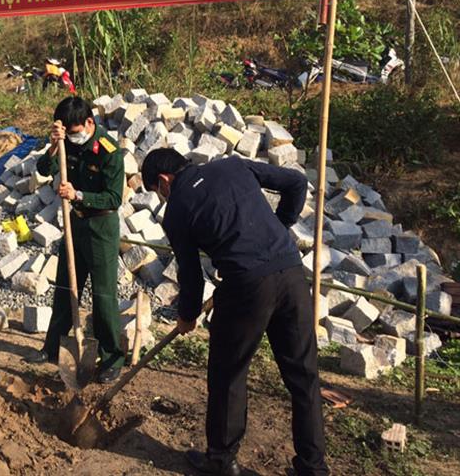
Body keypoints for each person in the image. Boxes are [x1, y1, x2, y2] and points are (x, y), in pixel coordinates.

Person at [141, 149, 328, 476]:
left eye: (158, 191)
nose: (161, 196)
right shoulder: (233, 166)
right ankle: (313, 468)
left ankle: (221, 460)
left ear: (163, 181)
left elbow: (190, 272)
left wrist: (187, 315)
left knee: (228, 374)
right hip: (292, 274)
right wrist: (280, 227)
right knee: (304, 377)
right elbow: (297, 182)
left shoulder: (177, 209)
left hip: (246, 286)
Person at [24, 96, 125, 384]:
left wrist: (78, 195)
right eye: (67, 132)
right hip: (75, 225)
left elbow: (114, 198)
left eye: (75, 131)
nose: (73, 136)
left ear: (90, 123)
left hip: (101, 228)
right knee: (66, 290)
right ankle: (53, 348)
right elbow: (44, 170)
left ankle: (111, 359)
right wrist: (54, 145)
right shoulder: (66, 142)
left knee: (104, 298)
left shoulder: (108, 151)